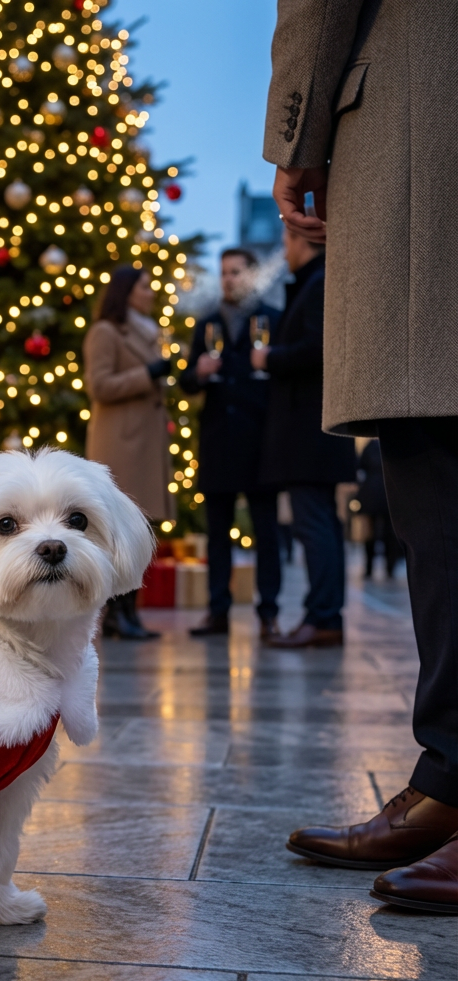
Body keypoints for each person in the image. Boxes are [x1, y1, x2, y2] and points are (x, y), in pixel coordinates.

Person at [264, 0, 457, 910]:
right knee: (433, 456)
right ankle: (452, 769)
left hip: (425, 99)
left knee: (437, 447)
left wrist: (296, 130)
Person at [252, 228, 355, 647]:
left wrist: (270, 357)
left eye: (286, 242)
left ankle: (324, 616)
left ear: (301, 241)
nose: (283, 250)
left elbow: (317, 349)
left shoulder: (318, 284)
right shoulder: (319, 282)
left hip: (308, 436)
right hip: (317, 436)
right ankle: (325, 614)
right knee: (323, 526)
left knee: (315, 527)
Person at [180, 249, 281, 638]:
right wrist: (199, 373)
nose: (229, 279)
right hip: (218, 442)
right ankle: (217, 611)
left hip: (260, 443)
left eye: (237, 272)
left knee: (266, 532)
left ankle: (268, 613)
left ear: (252, 275)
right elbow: (187, 381)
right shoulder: (207, 323)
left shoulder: (271, 318)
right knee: (217, 534)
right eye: (224, 273)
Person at [83, 265, 172, 639]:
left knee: (137, 532)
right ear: (126, 292)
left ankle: (130, 615)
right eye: (145, 285)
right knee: (118, 532)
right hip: (120, 444)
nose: (151, 292)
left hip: (144, 443)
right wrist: (148, 374)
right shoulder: (105, 332)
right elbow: (99, 386)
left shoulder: (149, 333)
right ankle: (117, 617)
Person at [353, 440, 401, 579]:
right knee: (390, 533)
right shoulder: (392, 443)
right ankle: (390, 569)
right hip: (390, 492)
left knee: (369, 533)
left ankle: (369, 569)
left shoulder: (369, 446)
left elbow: (360, 466)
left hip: (371, 493)